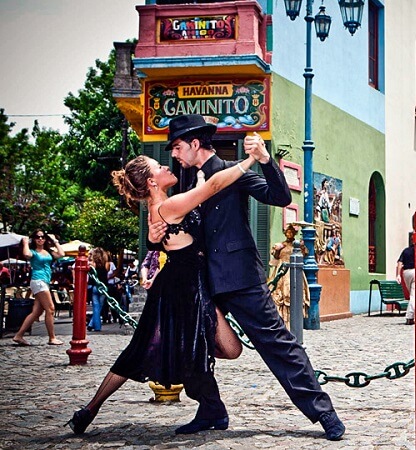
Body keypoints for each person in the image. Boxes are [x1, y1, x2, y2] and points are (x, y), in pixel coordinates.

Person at [148, 114, 345, 440]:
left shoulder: (234, 171)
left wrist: (266, 160)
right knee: (189, 344)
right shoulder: (183, 180)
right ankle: (211, 409)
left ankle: (324, 413)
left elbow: (279, 197)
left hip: (239, 277)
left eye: (179, 147)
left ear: (195, 144)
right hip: (200, 281)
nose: (175, 155)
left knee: (277, 344)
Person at [66, 148, 254, 435]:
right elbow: (214, 185)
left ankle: (209, 405)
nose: (167, 167)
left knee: (218, 349)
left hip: (190, 286)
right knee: (145, 350)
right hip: (180, 290)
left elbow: (170, 242)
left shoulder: (163, 207)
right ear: (152, 181)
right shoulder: (168, 207)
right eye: (159, 166)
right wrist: (252, 161)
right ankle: (90, 409)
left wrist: (155, 245)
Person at [12, 231, 65, 346]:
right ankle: (52, 338)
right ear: (34, 239)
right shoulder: (33, 252)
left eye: (42, 237)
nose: (40, 239)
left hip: (45, 282)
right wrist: (26, 242)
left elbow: (61, 254)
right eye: (37, 237)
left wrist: (55, 241)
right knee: (50, 308)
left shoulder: (48, 252)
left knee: (37, 312)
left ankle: (19, 335)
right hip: (38, 280)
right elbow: (26, 254)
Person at [269, 224, 309, 326]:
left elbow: (304, 254)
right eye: (287, 232)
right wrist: (278, 249)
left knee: (293, 292)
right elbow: (276, 256)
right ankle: (281, 318)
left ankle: (293, 319)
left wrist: (302, 246)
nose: (289, 234)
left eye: (291, 232)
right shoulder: (281, 245)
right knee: (279, 293)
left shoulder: (297, 245)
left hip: (294, 270)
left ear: (294, 233)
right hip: (281, 270)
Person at [87, 247, 110, 332]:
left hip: (94, 286)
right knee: (99, 307)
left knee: (96, 307)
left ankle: (95, 326)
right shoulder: (106, 263)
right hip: (103, 287)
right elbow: (107, 273)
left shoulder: (92, 263)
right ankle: (94, 325)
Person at [396, 236, 415, 325]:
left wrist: (398, 274)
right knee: (414, 295)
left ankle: (412, 315)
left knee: (412, 294)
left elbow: (400, 262)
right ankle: (409, 316)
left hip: (406, 273)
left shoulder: (406, 250)